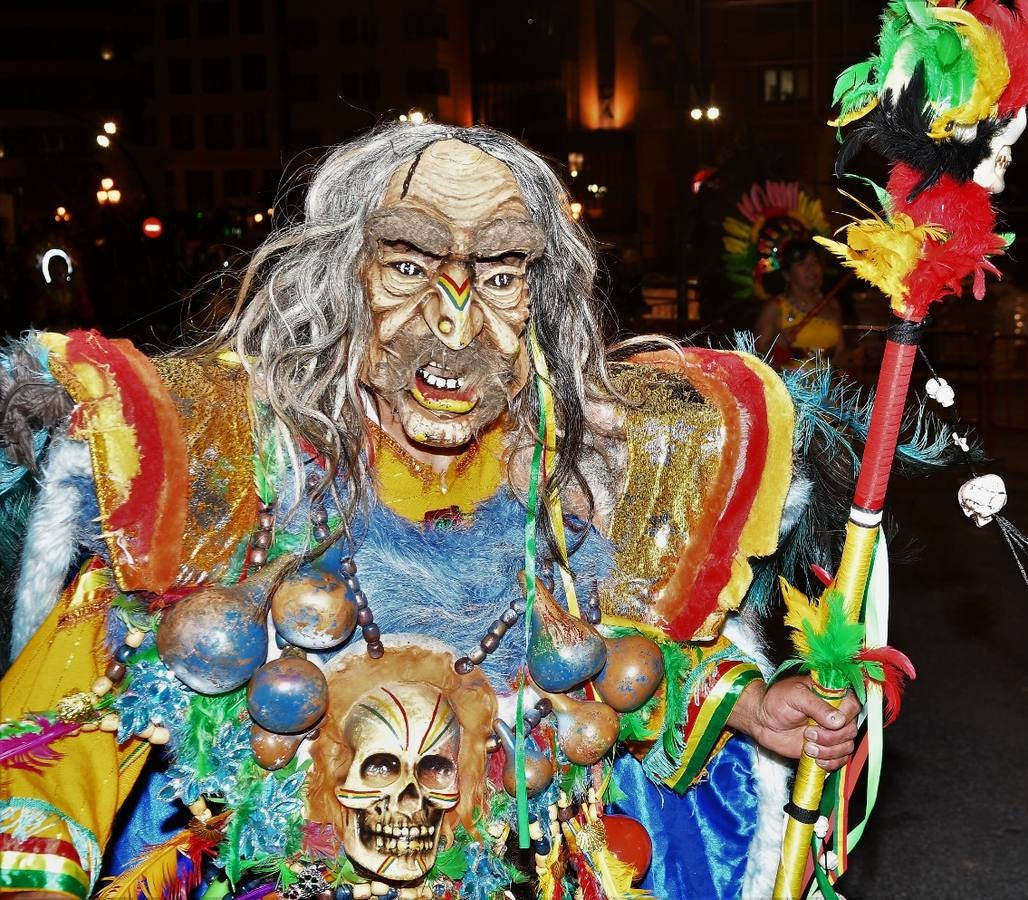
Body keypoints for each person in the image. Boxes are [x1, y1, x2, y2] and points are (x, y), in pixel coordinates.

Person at [0, 124, 861, 900]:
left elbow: (635, 664)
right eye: (408, 265)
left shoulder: (571, 492)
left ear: (540, 309)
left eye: (498, 275)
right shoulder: (237, 475)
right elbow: (49, 739)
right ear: (340, 284)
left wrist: (753, 710)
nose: (454, 322)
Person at [754, 238, 852, 371]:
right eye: (802, 263)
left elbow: (840, 352)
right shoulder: (775, 308)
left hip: (827, 387)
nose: (811, 269)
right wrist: (777, 343)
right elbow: (756, 358)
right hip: (789, 387)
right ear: (786, 274)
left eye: (814, 262)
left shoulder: (832, 304)